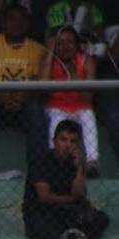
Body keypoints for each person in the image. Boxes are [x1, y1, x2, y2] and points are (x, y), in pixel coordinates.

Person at [0, 4, 47, 180]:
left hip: (25, 103)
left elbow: (40, 82)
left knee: (36, 108)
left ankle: (38, 174)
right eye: (12, 18)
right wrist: (0, 96)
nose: (17, 23)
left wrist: (23, 96)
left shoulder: (37, 49)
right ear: (3, 23)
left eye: (22, 19)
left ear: (28, 23)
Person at [23, 119, 108, 239]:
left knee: (100, 220)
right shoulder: (41, 161)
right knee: (54, 236)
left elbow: (80, 194)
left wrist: (79, 168)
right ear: (54, 141)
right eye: (63, 139)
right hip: (38, 213)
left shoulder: (73, 162)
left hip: (64, 212)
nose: (67, 144)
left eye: (72, 141)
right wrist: (71, 199)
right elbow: (44, 197)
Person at [41, 26, 99, 177]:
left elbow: (88, 97)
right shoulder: (50, 59)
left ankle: (92, 162)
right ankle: (55, 162)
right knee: (55, 119)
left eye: (70, 42)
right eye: (60, 43)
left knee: (88, 115)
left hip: (80, 106)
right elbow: (42, 88)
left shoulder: (86, 61)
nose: (65, 47)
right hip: (56, 106)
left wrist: (74, 77)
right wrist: (50, 52)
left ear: (77, 45)